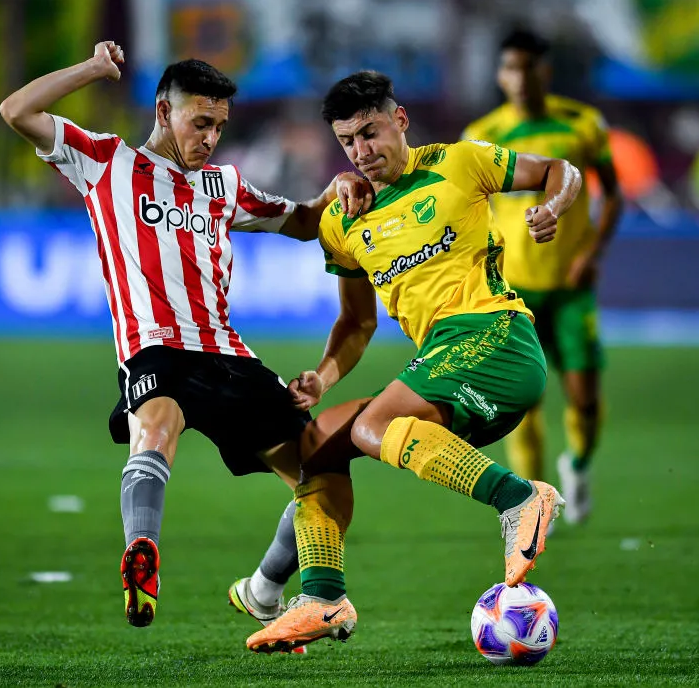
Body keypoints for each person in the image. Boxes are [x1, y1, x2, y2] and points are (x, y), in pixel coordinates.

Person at [0, 41, 372, 629]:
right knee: (157, 422)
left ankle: (264, 590)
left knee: (322, 476)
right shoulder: (107, 163)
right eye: (200, 123)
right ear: (161, 112)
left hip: (227, 355)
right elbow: (17, 110)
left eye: (219, 126)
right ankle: (141, 552)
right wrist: (94, 70)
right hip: (155, 348)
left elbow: (303, 220)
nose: (211, 138)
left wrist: (339, 189)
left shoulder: (224, 185)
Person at [244, 70, 582, 653]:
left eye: (370, 132)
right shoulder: (346, 221)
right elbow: (356, 323)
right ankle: (324, 598)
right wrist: (321, 378)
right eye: (347, 141)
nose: (362, 150)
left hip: (498, 339)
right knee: (320, 442)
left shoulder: (460, 162)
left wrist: (553, 206)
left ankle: (520, 498)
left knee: (374, 425)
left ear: (400, 120)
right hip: (448, 365)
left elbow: (559, 170)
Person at [462, 29, 623, 524]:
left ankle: (576, 464)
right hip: (513, 291)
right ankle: (536, 502)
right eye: (511, 68)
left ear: (545, 72)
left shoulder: (582, 124)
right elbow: (469, 215)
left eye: (529, 67)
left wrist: (592, 252)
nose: (521, 77)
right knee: (522, 403)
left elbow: (613, 194)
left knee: (585, 398)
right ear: (500, 75)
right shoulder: (480, 136)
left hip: (571, 286)